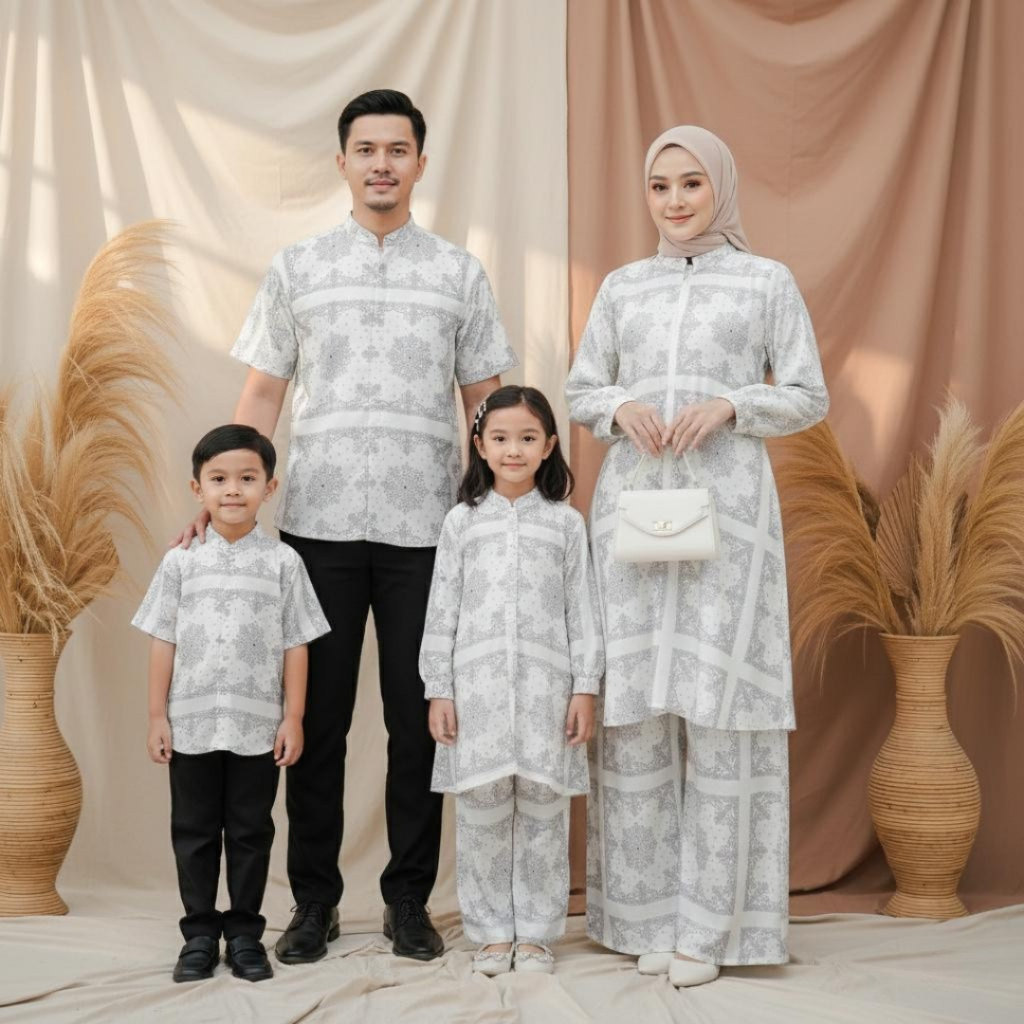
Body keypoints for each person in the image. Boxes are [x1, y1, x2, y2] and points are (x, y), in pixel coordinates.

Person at [179, 89, 518, 963]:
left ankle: (409, 901)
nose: (381, 164)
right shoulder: (297, 268)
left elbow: (487, 408)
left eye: (397, 150)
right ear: (342, 163)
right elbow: (263, 394)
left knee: (417, 723)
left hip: (426, 534)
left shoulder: (458, 274)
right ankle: (313, 904)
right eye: (366, 149)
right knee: (316, 726)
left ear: (420, 163)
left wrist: (497, 518)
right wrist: (219, 498)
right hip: (316, 531)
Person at [565, 126, 829, 987]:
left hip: (730, 516)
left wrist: (732, 405)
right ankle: (645, 916)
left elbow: (808, 393)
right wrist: (619, 407)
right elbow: (579, 387)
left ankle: (714, 929)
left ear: (720, 187)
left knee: (723, 712)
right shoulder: (622, 287)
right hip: (633, 513)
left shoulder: (765, 281)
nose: (675, 201)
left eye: (691, 183)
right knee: (636, 712)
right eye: (660, 186)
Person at [133, 425, 329, 983]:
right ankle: (198, 935)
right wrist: (157, 715)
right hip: (191, 723)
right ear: (198, 489)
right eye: (219, 479)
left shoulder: (284, 563)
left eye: (247, 478)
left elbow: (296, 644)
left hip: (258, 725)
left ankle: (244, 934)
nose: (233, 490)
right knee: (194, 830)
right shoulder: (180, 562)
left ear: (270, 488)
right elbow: (163, 639)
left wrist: (293, 717)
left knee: (250, 830)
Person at [419, 385, 603, 975]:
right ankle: (492, 932)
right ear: (480, 446)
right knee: (482, 816)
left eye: (527, 438)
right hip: (477, 696)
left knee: (546, 814)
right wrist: (439, 689)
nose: (514, 450)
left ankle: (538, 934)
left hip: (549, 695)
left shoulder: (566, 524)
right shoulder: (461, 523)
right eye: (500, 438)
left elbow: (582, 611)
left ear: (549, 446)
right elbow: (441, 611)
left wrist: (585, 687)